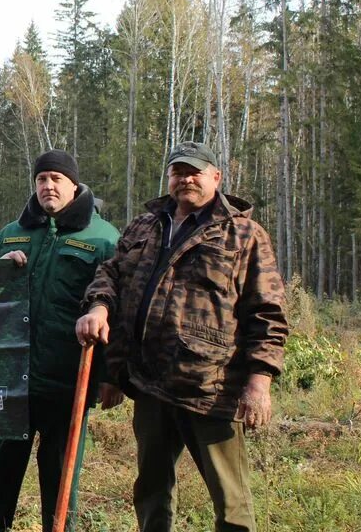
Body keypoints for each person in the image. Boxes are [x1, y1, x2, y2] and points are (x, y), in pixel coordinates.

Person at [75, 141, 289, 532]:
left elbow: (267, 313)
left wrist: (259, 383)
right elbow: (111, 276)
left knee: (231, 504)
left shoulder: (243, 234)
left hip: (211, 389)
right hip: (149, 383)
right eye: (178, 171)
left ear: (216, 177)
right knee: (151, 493)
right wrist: (100, 311)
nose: (185, 179)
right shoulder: (146, 225)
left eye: (195, 172)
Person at [0, 150, 120, 532]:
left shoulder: (103, 239)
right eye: (41, 180)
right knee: (3, 466)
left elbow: (119, 308)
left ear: (74, 184)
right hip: (12, 379)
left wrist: (112, 374)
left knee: (60, 472)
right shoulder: (11, 233)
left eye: (56, 179)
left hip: (67, 380)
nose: (48, 186)